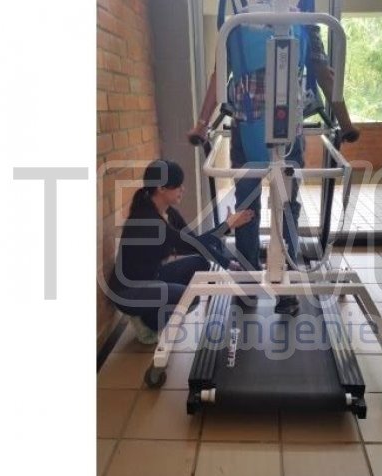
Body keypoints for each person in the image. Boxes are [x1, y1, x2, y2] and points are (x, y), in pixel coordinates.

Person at [187, 0, 359, 314]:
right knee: (258, 207)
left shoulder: (298, 20)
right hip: (254, 129)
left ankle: (276, 285)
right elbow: (219, 75)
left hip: (278, 129)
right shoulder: (239, 21)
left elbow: (323, 73)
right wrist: (201, 124)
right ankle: (255, 283)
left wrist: (345, 122)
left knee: (278, 206)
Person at [108, 159, 253, 343]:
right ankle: (148, 322)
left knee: (200, 263)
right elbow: (193, 244)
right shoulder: (148, 221)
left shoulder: (168, 212)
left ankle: (150, 311)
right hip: (128, 291)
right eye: (178, 185)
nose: (183, 189)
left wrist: (228, 263)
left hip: (150, 276)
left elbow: (196, 242)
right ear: (161, 188)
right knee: (189, 297)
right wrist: (228, 225)